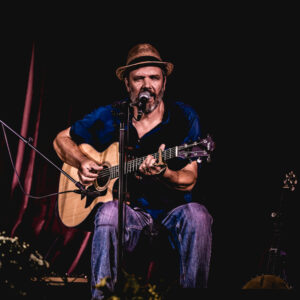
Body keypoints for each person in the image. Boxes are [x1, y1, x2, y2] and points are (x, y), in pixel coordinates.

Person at [53, 43, 213, 299]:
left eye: (154, 78)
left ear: (164, 83)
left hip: (171, 217)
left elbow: (189, 179)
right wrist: (82, 161)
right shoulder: (111, 115)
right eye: (139, 78)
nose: (146, 85)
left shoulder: (184, 116)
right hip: (131, 217)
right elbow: (61, 139)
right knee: (107, 212)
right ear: (127, 84)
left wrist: (164, 173)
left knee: (199, 215)